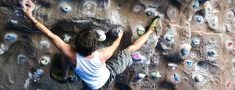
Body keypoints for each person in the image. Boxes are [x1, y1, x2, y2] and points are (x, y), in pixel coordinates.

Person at [21, 0, 160, 89]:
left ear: (76, 44)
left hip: (92, 84)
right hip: (107, 76)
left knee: (64, 56)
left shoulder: (70, 53)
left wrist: (30, 16)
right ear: (95, 47)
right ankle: (150, 31)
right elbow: (115, 45)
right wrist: (120, 36)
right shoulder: (103, 54)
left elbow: (50, 35)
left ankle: (63, 75)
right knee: (131, 49)